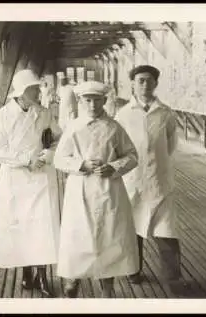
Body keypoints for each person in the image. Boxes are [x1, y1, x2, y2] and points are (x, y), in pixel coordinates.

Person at [54, 80, 140, 298]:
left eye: (97, 100)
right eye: (88, 100)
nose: (93, 105)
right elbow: (59, 158)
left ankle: (107, 286)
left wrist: (113, 166)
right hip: (80, 188)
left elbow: (132, 156)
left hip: (108, 189)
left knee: (108, 237)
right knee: (78, 235)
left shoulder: (114, 127)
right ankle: (73, 277)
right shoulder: (73, 127)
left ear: (104, 100)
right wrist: (79, 165)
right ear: (81, 101)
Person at [115, 65, 190, 293]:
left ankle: (173, 278)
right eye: (140, 81)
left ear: (156, 84)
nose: (145, 85)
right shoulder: (124, 115)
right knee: (132, 228)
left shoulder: (165, 113)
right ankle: (133, 269)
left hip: (159, 179)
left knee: (166, 230)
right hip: (133, 179)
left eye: (149, 80)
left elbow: (170, 144)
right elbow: (118, 146)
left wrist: (157, 164)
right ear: (133, 84)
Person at [0, 69, 62, 297]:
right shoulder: (2, 116)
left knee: (42, 227)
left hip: (41, 176)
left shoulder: (45, 113)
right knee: (20, 227)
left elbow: (58, 138)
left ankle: (42, 277)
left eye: (38, 88)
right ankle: (26, 274)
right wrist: (24, 159)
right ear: (21, 92)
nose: (38, 91)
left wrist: (46, 155)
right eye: (33, 89)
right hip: (16, 179)